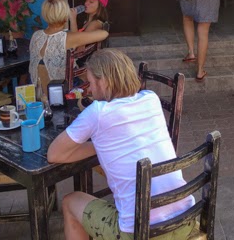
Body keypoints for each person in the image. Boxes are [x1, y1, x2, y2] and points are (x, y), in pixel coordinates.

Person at [48, 49, 195, 240]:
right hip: (185, 221)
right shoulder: (151, 98)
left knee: (70, 201)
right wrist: (104, 146)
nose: (89, 90)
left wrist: (100, 146)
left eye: (90, 83)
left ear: (104, 81)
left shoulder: (97, 112)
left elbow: (54, 154)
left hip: (141, 234)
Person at [29, 0, 109, 104]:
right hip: (61, 93)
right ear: (65, 15)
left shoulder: (36, 36)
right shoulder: (68, 38)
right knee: (95, 77)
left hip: (37, 93)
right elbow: (104, 34)